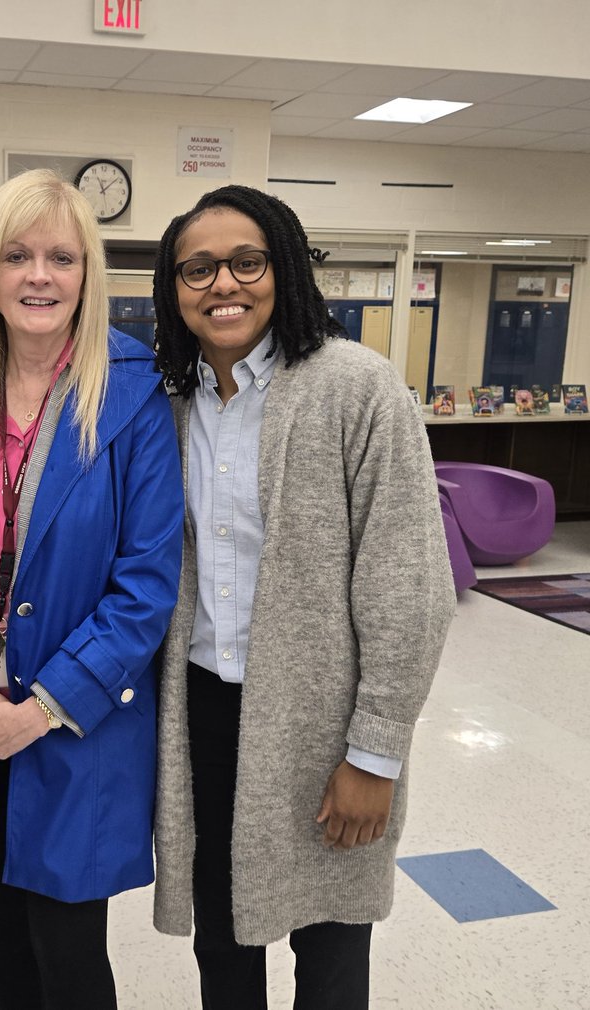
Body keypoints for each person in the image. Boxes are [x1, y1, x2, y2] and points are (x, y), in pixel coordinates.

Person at [150, 184, 456, 1010]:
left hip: (325, 718)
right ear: (172, 288)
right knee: (223, 937)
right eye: (198, 268)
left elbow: (409, 584)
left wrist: (377, 751)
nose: (224, 285)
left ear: (282, 268)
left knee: (330, 946)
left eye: (246, 262)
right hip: (203, 711)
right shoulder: (166, 404)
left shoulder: (356, 387)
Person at [0, 169, 183, 1009]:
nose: (39, 276)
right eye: (17, 255)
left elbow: (145, 584)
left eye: (62, 256)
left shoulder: (132, 398)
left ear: (88, 274)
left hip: (73, 723)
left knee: (69, 953)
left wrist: (38, 709)